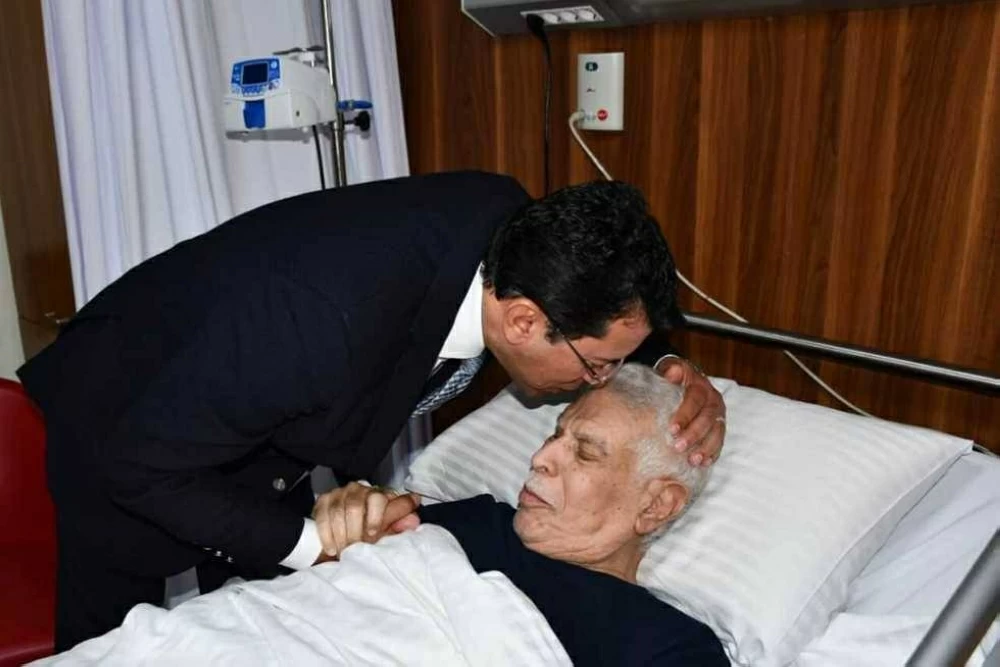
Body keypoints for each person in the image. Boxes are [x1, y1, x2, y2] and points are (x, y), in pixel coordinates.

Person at [17, 171, 726, 650]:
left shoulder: (515, 232)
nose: (599, 379)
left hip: (246, 395)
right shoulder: (323, 326)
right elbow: (140, 466)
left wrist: (667, 368)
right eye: (596, 366)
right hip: (120, 421)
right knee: (112, 642)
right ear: (522, 322)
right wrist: (310, 546)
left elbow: (601, 311)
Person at [314, 363, 729, 666]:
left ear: (656, 506)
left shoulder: (672, 646)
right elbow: (335, 581)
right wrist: (347, 520)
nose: (541, 457)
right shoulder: (481, 523)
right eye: (554, 434)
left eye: (585, 452)